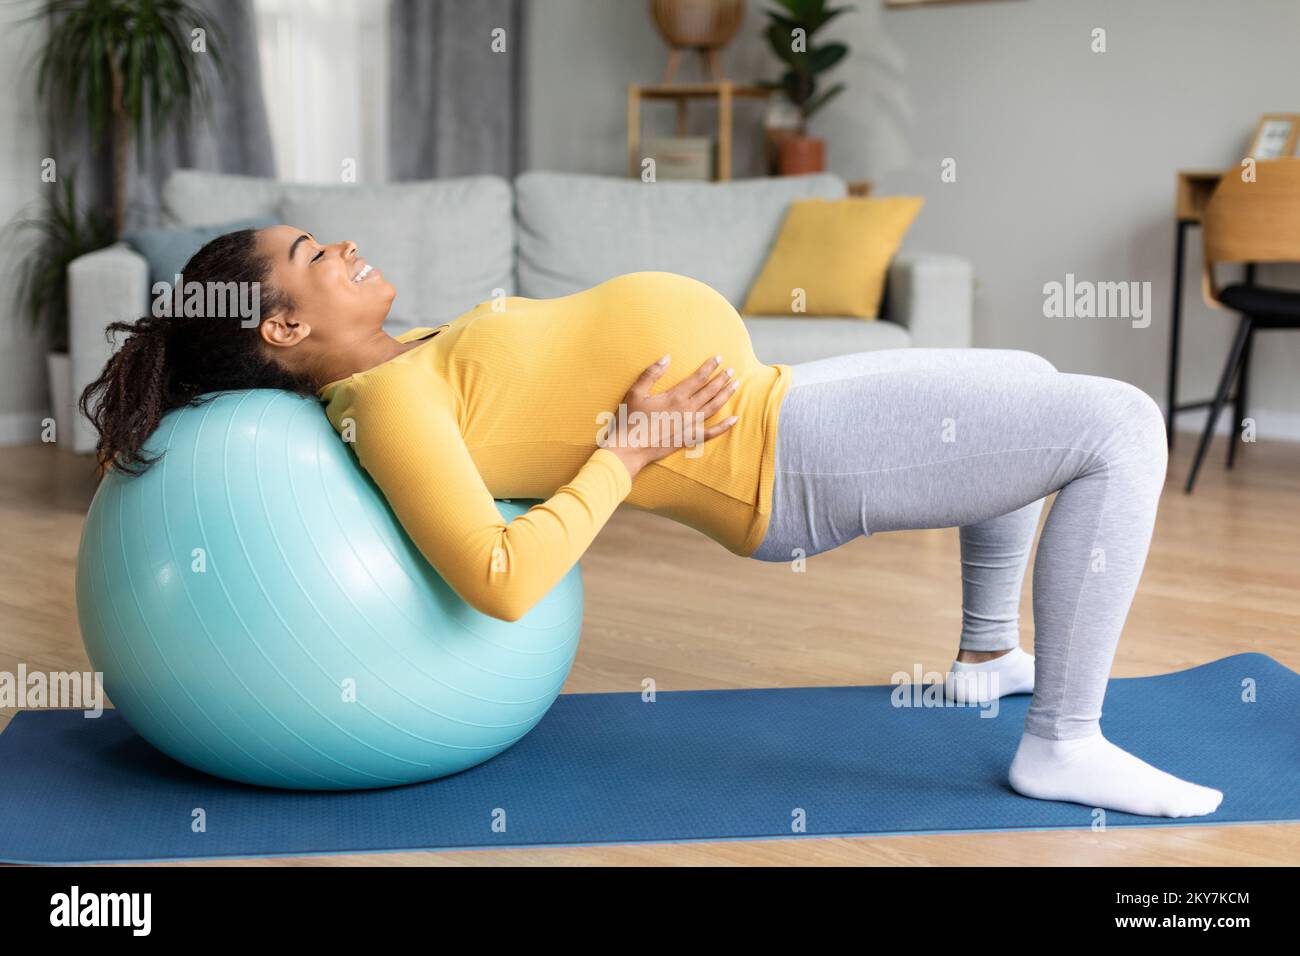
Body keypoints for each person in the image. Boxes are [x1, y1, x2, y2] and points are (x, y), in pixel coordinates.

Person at [82, 226, 1223, 819]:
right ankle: (1062, 740)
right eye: (307, 257)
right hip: (785, 457)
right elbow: (497, 573)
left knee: (1028, 373)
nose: (337, 247)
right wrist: (627, 446)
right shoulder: (384, 403)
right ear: (280, 330)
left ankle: (988, 654)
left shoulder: (405, 356)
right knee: (1118, 423)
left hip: (785, 399)